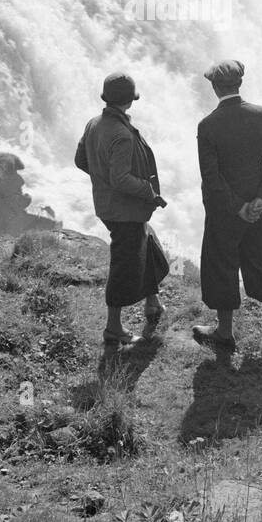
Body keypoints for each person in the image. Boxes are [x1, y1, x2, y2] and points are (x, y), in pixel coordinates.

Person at [194, 60, 262, 356]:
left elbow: (211, 177)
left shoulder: (208, 126)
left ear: (214, 86)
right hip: (261, 209)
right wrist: (261, 199)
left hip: (225, 211)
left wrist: (238, 208)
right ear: (240, 83)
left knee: (222, 263)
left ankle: (224, 332)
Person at [75, 71, 169, 347]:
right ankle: (113, 328)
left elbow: (80, 159)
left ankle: (153, 302)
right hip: (123, 210)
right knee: (123, 265)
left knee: (147, 241)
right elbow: (121, 179)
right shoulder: (121, 134)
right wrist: (149, 192)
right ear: (130, 100)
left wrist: (101, 176)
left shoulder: (94, 124)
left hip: (106, 205)